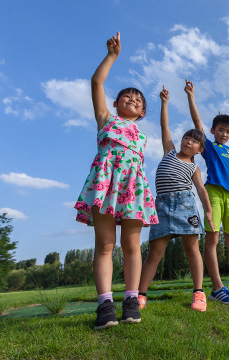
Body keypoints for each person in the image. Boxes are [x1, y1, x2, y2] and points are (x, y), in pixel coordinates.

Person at [74, 32, 158, 329]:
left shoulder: (143, 134)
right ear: (116, 102)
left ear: (143, 111)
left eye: (138, 100)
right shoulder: (106, 120)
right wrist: (112, 56)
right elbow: (96, 83)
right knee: (105, 245)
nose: (132, 99)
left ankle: (132, 300)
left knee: (132, 245)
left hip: (133, 188)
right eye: (127, 96)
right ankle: (105, 305)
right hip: (106, 184)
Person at [137, 85, 215, 312]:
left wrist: (208, 211)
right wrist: (164, 102)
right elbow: (164, 126)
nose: (188, 142)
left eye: (193, 141)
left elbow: (201, 190)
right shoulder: (169, 150)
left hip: (185, 206)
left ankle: (199, 293)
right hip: (161, 205)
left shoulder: (194, 167)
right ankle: (141, 295)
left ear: (200, 149)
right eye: (186, 138)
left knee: (192, 249)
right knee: (155, 252)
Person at [185, 79, 229, 306]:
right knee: (212, 238)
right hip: (214, 192)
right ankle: (217, 288)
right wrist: (191, 97)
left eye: (228, 131)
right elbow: (197, 122)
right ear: (213, 131)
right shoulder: (210, 148)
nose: (224, 134)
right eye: (221, 130)